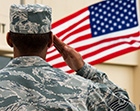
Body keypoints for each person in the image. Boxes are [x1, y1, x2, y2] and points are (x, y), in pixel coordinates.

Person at [0, 4, 136, 111]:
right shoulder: (83, 88)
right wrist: (83, 69)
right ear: (50, 41)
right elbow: (126, 107)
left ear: (9, 39)